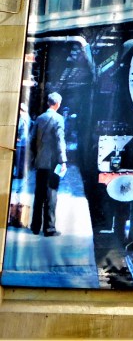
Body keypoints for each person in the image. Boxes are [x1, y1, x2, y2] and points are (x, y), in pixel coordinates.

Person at [29, 92, 67, 237]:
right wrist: (63, 160)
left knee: (39, 194)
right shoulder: (59, 119)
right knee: (51, 195)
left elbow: (32, 140)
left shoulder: (39, 118)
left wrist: (34, 158)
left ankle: (35, 226)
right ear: (58, 104)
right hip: (53, 163)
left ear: (48, 103)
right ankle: (49, 228)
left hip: (40, 162)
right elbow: (60, 141)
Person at [12, 102, 30, 179]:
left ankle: (18, 174)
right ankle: (21, 174)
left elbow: (22, 130)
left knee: (18, 159)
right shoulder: (28, 117)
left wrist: (18, 138)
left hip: (20, 142)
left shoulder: (22, 118)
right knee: (21, 159)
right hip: (25, 142)